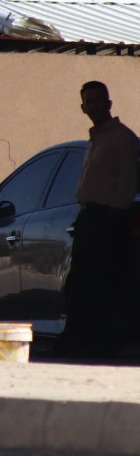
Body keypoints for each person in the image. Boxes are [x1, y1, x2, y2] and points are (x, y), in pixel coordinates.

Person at [55, 81, 139, 357]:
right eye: (89, 102)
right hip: (89, 215)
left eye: (99, 100)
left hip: (109, 218)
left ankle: (103, 342)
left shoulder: (122, 138)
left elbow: (127, 181)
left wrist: (115, 213)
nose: (94, 106)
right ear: (83, 107)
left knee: (105, 280)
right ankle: (80, 338)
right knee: (82, 280)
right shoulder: (96, 138)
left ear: (109, 104)